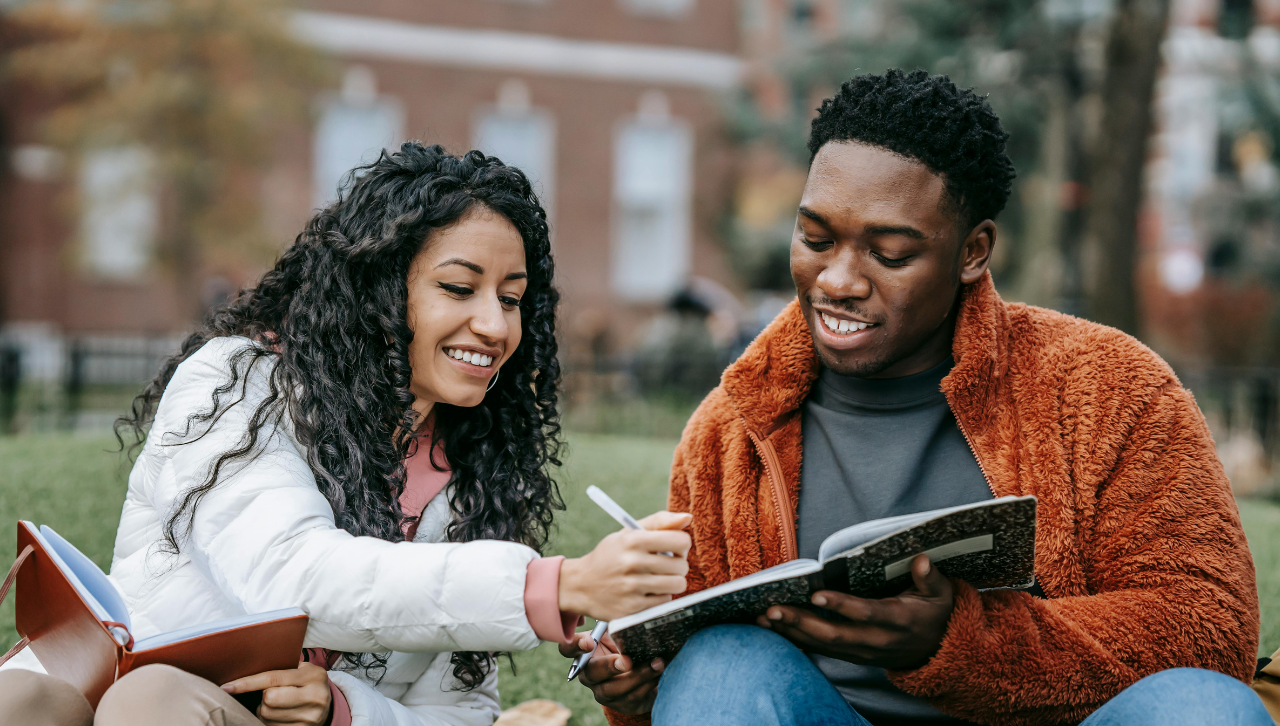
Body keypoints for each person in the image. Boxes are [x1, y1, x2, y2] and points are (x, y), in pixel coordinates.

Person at [563, 70, 1269, 726]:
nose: (837, 279)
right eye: (815, 237)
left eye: (890, 253)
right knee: (718, 666)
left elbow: (1207, 628)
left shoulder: (1110, 389)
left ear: (973, 251)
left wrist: (963, 644)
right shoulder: (732, 428)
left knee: (1206, 708)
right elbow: (696, 694)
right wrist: (636, 679)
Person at [0, 144, 692, 726]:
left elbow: (456, 715)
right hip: (107, 688)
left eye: (511, 298)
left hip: (166, 710)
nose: (496, 324)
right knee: (24, 697)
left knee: (151, 703)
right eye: (460, 288)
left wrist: (342, 707)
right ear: (377, 292)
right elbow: (291, 576)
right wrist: (557, 586)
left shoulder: (477, 473)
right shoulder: (239, 383)